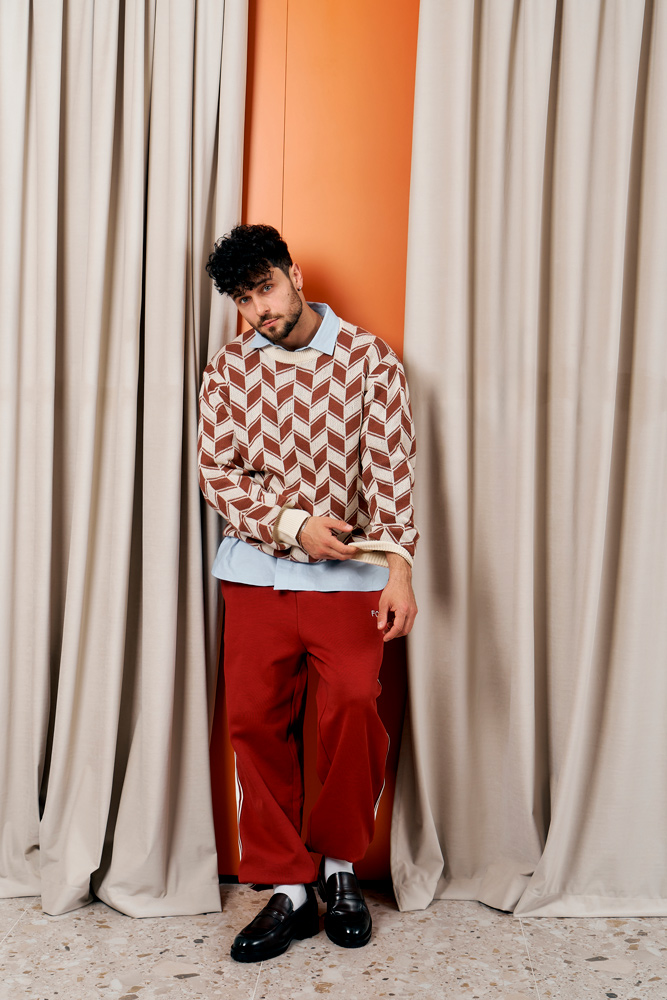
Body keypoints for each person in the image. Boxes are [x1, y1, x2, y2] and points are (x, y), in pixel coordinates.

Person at [198, 224, 418, 963]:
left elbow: (391, 474)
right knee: (254, 723)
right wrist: (293, 525)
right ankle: (288, 888)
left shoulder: (368, 360)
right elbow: (217, 474)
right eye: (243, 299)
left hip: (350, 576)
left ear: (293, 274)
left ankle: (339, 868)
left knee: (354, 706)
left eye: (264, 287)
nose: (258, 309)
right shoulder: (229, 368)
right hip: (255, 575)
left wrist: (400, 571)